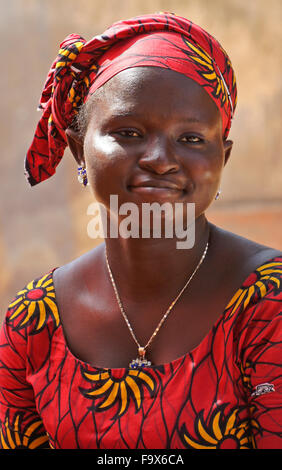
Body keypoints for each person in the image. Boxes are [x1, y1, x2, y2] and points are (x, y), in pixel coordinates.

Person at [0, 12, 281, 450]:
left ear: (222, 158)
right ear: (79, 149)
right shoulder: (34, 322)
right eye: (128, 132)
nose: (160, 158)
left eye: (191, 139)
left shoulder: (268, 302)